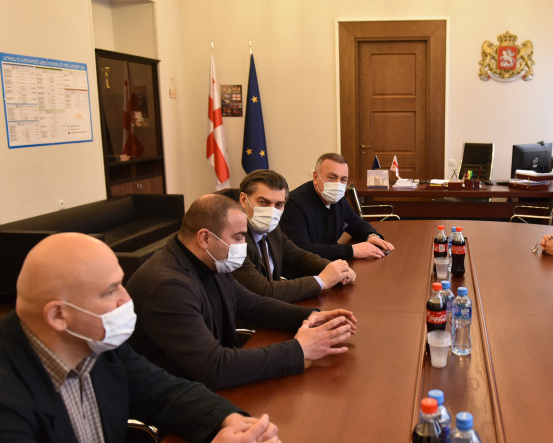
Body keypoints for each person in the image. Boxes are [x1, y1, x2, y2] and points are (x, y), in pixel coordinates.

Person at [0, 233, 282, 443]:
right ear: (58, 315)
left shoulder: (93, 340)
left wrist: (231, 422)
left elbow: (166, 393)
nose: (127, 300)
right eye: (111, 291)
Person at [126, 194, 357, 390]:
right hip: (178, 396)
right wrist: (298, 350)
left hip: (207, 384)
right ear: (205, 238)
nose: (243, 246)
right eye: (237, 238)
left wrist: (311, 317)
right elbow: (214, 367)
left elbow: (252, 304)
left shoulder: (210, 259)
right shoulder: (167, 287)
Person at [231, 169, 356, 303]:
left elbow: (298, 257)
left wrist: (336, 270)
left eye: (279, 205)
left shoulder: (272, 228)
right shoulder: (233, 239)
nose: (271, 211)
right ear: (243, 200)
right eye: (263, 203)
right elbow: (263, 291)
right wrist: (322, 281)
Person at [280, 152, 395, 260]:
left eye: (343, 179)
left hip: (327, 263)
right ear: (315, 177)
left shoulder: (338, 200)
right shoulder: (294, 204)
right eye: (332, 177)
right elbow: (301, 249)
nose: (338, 184)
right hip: (302, 272)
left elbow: (356, 223)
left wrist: (371, 235)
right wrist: (351, 250)